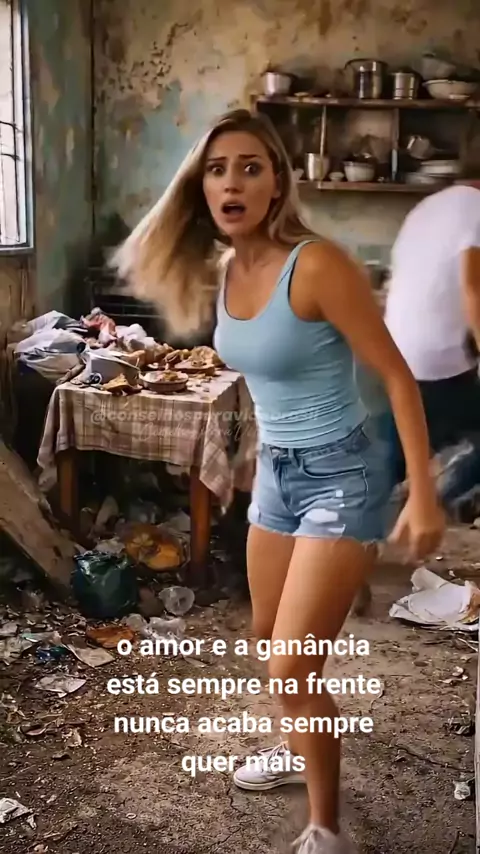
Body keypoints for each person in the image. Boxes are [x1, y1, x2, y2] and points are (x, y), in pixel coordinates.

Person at [112, 109, 444, 854]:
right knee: (270, 637)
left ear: (276, 185)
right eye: (217, 169)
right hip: (278, 474)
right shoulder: (227, 271)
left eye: (250, 167)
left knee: (293, 660)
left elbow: (397, 376)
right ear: (201, 188)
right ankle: (296, 748)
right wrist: (250, 455)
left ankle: (326, 828)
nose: (232, 182)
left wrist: (422, 493)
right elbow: (267, 379)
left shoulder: (317, 265)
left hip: (344, 475)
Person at [384, 183, 480, 507]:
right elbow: (473, 288)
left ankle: (407, 497)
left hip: (394, 353)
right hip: (435, 360)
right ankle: (431, 502)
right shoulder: (476, 208)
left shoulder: (428, 206)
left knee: (401, 452)